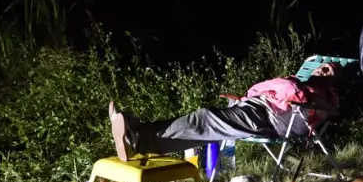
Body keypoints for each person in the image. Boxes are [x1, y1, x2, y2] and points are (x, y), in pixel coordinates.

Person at [108, 62, 344, 161]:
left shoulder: (325, 97)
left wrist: (302, 101)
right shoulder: (304, 84)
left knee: (204, 120)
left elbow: (325, 112)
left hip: (265, 118)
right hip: (254, 108)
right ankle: (138, 135)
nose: (323, 69)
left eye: (330, 71)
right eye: (323, 66)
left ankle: (137, 137)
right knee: (202, 127)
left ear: (334, 82)